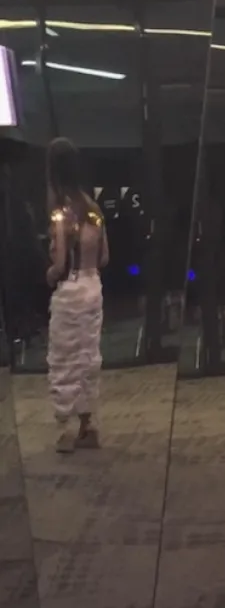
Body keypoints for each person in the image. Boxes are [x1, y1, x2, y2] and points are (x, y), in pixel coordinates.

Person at [44, 137, 108, 454]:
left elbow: (59, 263)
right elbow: (104, 257)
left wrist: (50, 273)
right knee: (87, 357)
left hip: (70, 289)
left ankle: (66, 430)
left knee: (64, 357)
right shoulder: (93, 210)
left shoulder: (61, 212)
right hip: (92, 287)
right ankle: (88, 426)